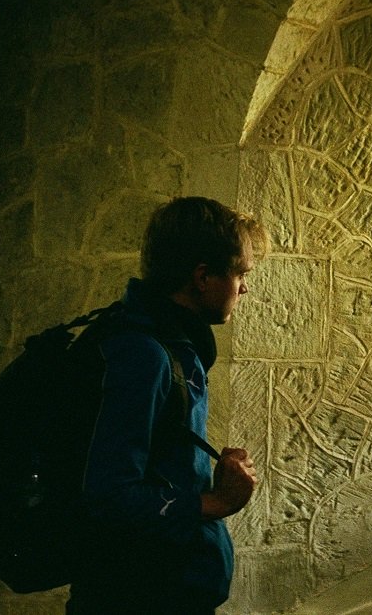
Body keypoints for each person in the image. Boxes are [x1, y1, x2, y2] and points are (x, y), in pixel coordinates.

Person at [67, 196, 268, 614]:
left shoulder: (165, 345)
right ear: (202, 277)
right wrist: (217, 502)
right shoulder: (144, 355)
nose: (244, 288)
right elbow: (109, 497)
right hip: (141, 597)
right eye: (239, 274)